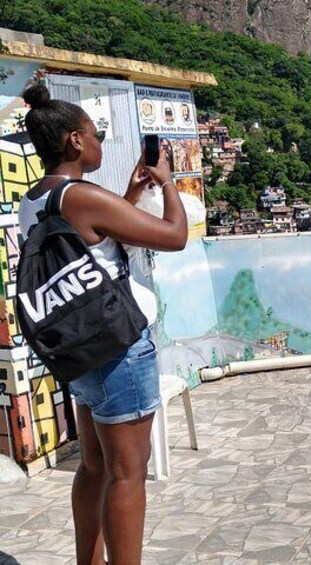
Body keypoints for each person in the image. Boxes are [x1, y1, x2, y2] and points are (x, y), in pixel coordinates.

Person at [20, 84, 187, 565]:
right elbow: (174, 236)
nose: (99, 144)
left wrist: (133, 192)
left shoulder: (39, 198)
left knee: (93, 467)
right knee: (128, 472)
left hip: (80, 351)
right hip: (118, 348)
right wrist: (168, 182)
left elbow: (92, 235)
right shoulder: (83, 195)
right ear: (75, 140)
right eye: (95, 136)